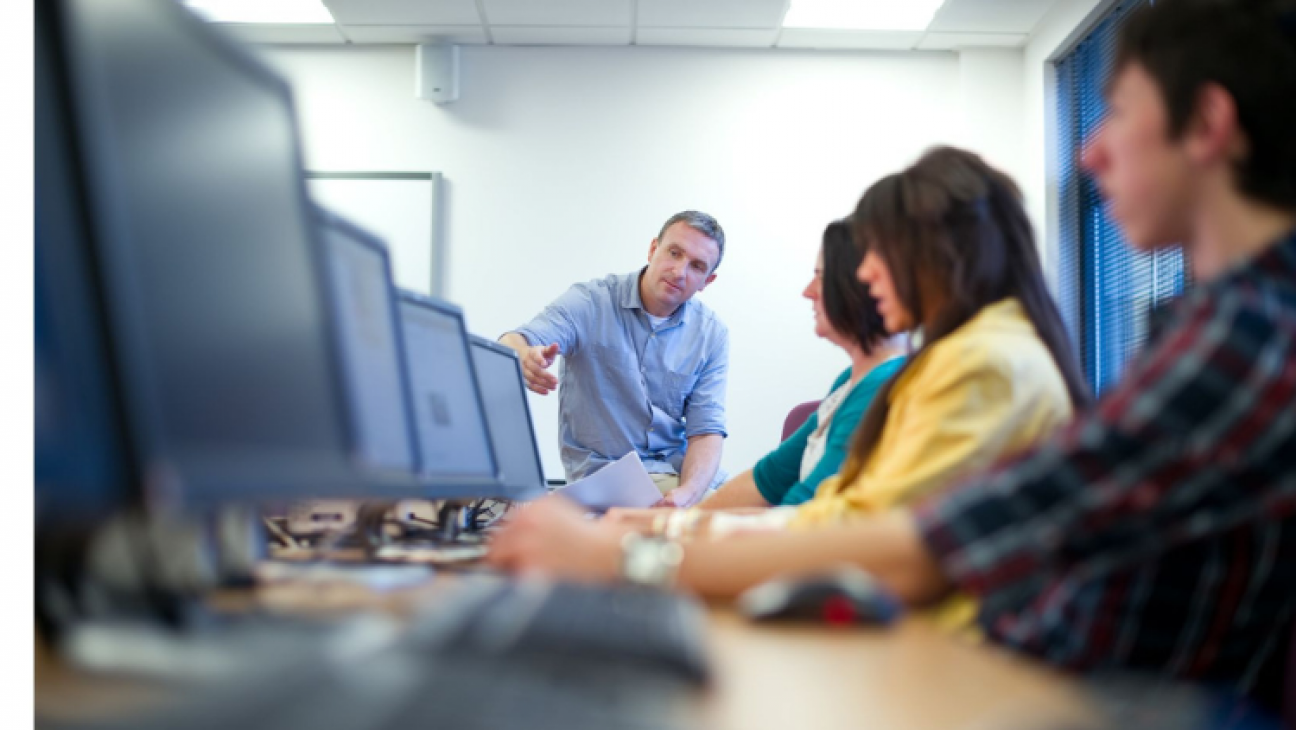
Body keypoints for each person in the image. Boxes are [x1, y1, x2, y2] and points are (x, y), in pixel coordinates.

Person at [489, 0, 1296, 710]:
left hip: (1031, 681)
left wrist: (629, 552)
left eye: (1116, 111)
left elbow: (917, 550)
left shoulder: (1242, 338)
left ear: (1207, 125)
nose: (1090, 153)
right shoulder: (1212, 327)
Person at [608, 146, 1087, 544]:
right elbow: (823, 508)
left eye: (878, 253)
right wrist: (667, 529)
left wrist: (651, 548)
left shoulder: (981, 363)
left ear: (933, 253)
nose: (866, 273)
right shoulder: (975, 352)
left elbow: (848, 533)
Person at [611, 219, 904, 533]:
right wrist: (674, 526)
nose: (807, 292)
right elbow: (770, 477)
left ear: (864, 283)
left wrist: (666, 535)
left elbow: (802, 520)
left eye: (820, 277)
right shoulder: (852, 380)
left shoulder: (880, 387)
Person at [499, 211, 729, 506]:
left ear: (707, 281)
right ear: (652, 249)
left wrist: (688, 494)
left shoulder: (712, 334)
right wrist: (523, 357)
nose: (679, 271)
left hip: (677, 474)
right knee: (728, 524)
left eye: (696, 266)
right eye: (674, 253)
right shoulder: (591, 302)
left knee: (760, 510)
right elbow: (515, 340)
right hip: (607, 477)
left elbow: (706, 429)